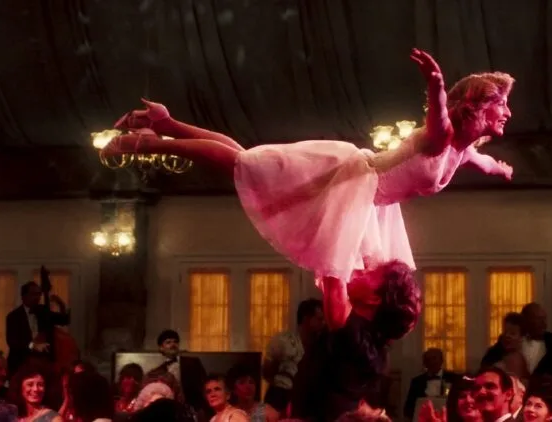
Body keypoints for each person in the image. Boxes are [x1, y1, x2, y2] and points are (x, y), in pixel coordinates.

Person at [104, 48, 515, 286]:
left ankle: (165, 123)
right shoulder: (440, 138)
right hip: (352, 179)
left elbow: (484, 163)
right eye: (501, 105)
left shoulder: (463, 151)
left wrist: (502, 170)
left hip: (365, 198)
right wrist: (436, 83)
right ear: (474, 107)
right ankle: (149, 142)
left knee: (248, 159)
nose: (508, 113)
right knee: (245, 162)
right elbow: (439, 116)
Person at [290, 260, 421, 421]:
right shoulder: (372, 345)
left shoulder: (352, 332)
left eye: (369, 273)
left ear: (374, 298)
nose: (359, 271)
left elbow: (334, 263)